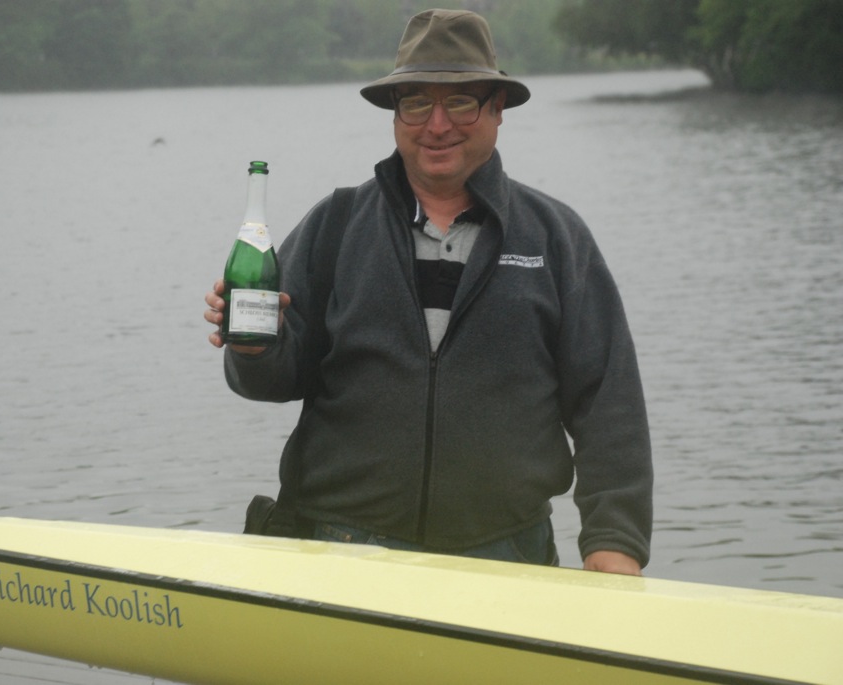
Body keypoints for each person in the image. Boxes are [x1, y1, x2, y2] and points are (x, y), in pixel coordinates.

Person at [204, 8, 652, 575]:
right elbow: (269, 381)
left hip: (508, 557)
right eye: (416, 103)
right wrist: (252, 347)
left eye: (461, 102)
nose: (437, 125)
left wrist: (614, 543)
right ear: (396, 113)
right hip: (341, 550)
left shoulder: (555, 237)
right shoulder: (336, 224)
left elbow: (608, 403)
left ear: (498, 108)